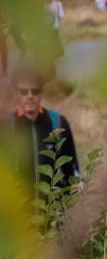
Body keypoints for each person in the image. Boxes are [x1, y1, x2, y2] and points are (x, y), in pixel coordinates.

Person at [7, 72, 79, 206]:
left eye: (35, 91)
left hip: (54, 213)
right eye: (23, 91)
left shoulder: (58, 123)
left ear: (41, 93)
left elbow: (73, 169)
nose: (29, 96)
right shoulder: (6, 128)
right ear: (16, 95)